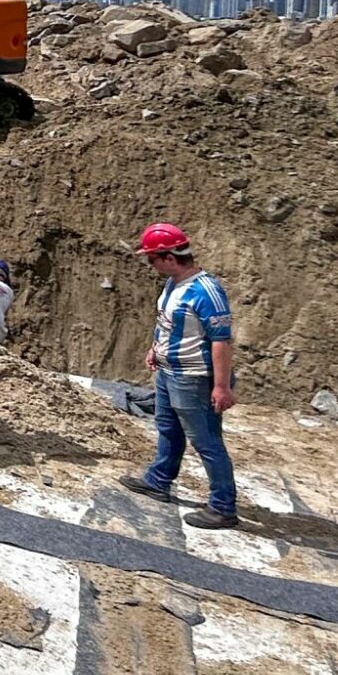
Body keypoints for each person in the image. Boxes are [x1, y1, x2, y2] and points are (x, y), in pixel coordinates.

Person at [120, 222, 239, 530]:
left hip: (193, 378)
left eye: (152, 259)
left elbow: (221, 341)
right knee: (168, 428)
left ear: (169, 258)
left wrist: (222, 386)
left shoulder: (206, 292)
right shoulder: (174, 283)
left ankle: (223, 506)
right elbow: (168, 323)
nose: (151, 265)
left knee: (207, 441)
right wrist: (154, 349)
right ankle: (159, 480)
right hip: (169, 372)